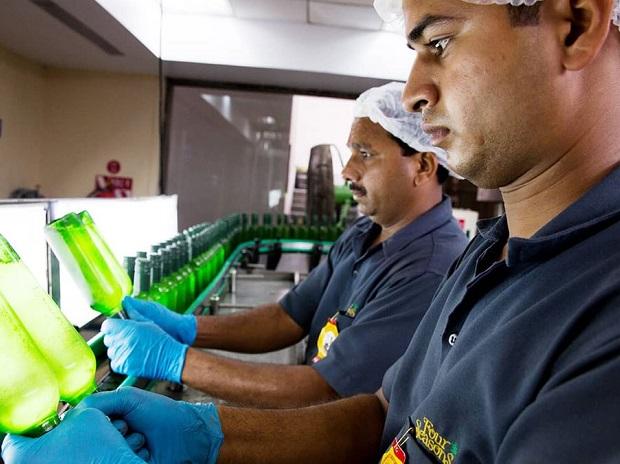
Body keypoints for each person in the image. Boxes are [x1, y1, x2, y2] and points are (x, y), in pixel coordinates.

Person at [4, 0, 620, 462]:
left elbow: (327, 388)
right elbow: (382, 415)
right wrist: (208, 434)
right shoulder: (490, 254)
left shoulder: (597, 316)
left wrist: (178, 360)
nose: (414, 90)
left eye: (439, 41)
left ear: (575, 24)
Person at [89, 82, 468, 409]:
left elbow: (326, 391)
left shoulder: (430, 269)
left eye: (365, 154)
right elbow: (288, 317)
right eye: (351, 152)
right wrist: (186, 328)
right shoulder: (365, 232)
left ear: (423, 166)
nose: (347, 170)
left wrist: (177, 362)